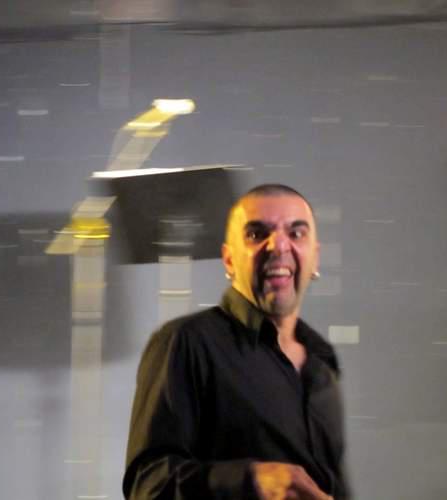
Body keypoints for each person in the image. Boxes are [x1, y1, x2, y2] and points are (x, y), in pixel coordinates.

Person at [123, 184, 350, 499]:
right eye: (257, 234)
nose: (278, 245)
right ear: (229, 260)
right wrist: (251, 480)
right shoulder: (187, 343)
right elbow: (147, 484)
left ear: (315, 258)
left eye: (296, 233)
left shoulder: (322, 362)